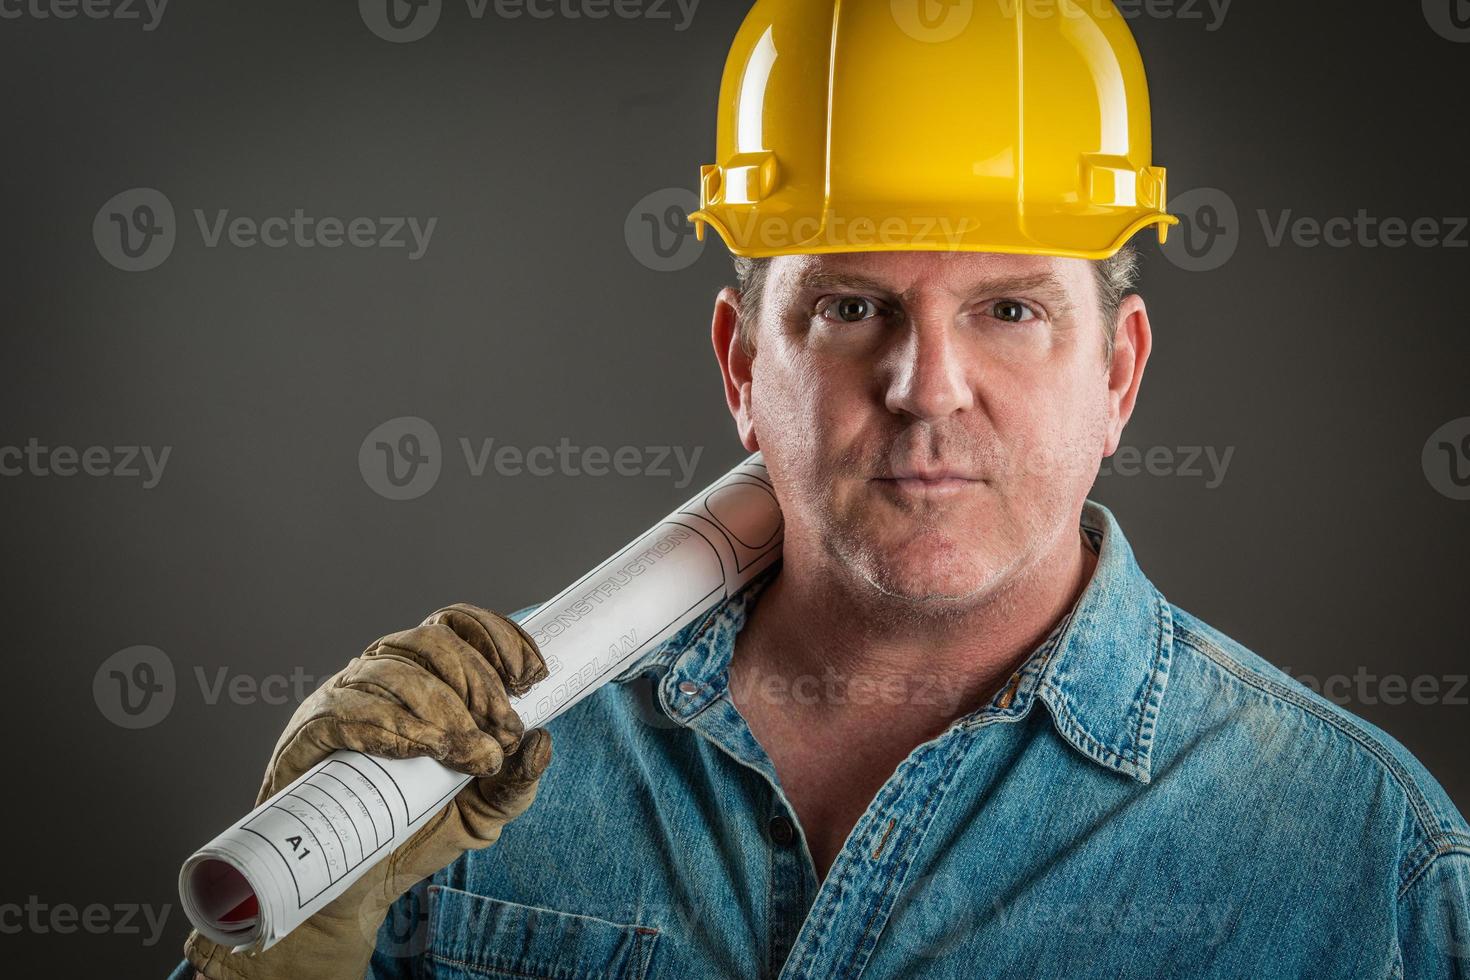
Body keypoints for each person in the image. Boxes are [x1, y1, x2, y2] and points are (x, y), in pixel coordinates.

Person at [174, 1, 1470, 977]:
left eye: (1009, 308)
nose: (922, 386)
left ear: (1117, 377)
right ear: (743, 365)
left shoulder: (1363, 863)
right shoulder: (465, 785)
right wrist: (285, 951)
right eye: (849, 306)